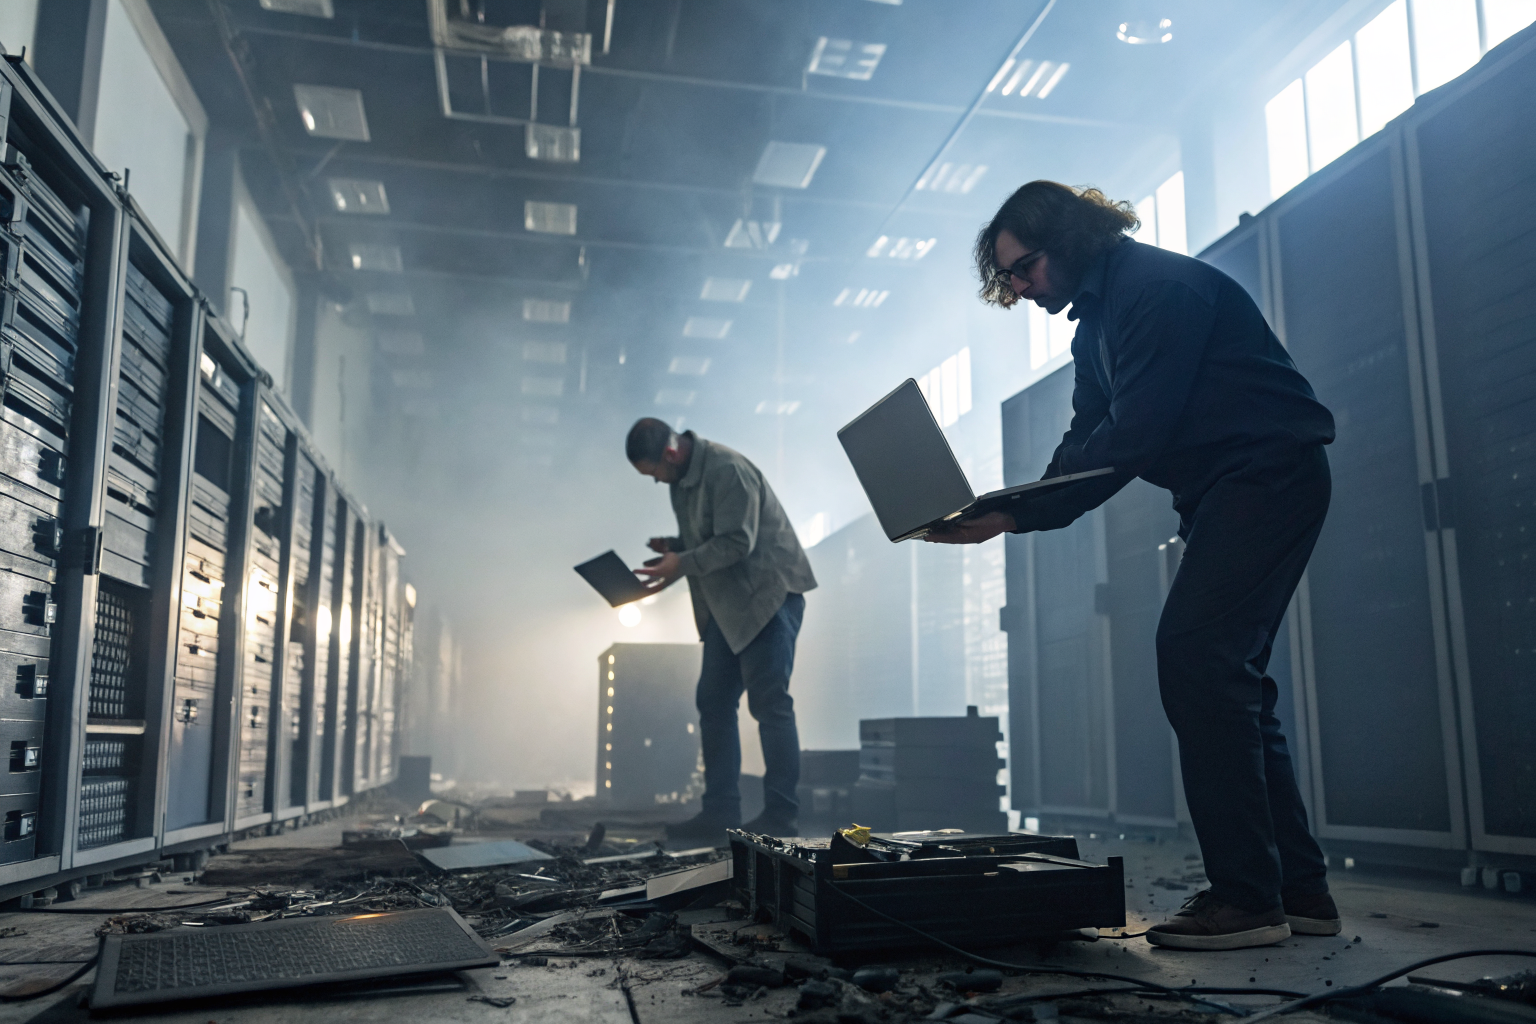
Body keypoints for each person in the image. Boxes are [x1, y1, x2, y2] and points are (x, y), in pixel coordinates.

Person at [927, 181, 1339, 951]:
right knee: (1231, 682)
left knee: (1196, 658)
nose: (1019, 287)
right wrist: (1009, 507)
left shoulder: (1158, 291)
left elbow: (1133, 438)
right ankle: (1297, 889)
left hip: (1268, 477)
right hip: (1230, 491)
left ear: (1075, 237)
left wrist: (1014, 510)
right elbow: (1087, 441)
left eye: (1026, 267)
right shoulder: (1095, 329)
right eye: (1009, 277)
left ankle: (1248, 900)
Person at [626, 418, 817, 844]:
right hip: (728, 606)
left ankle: (782, 817)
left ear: (671, 454)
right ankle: (720, 813)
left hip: (768, 595)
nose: (656, 482)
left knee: (770, 704)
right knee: (713, 702)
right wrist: (675, 549)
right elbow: (708, 542)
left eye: (654, 472)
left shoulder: (728, 470)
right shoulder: (682, 482)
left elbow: (736, 543)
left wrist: (683, 560)